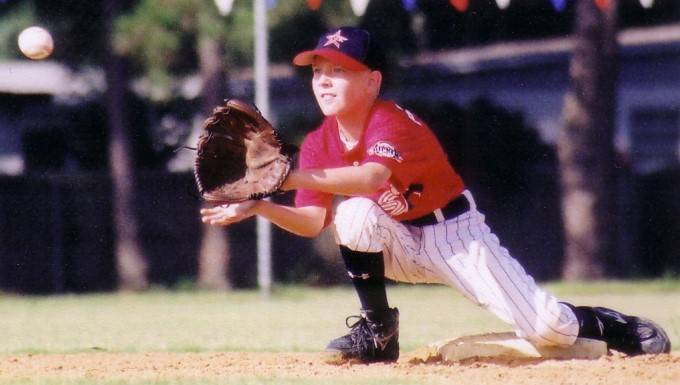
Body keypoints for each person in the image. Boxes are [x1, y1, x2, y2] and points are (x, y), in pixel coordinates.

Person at [200, 26, 671, 363]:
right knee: (354, 217)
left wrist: (287, 179)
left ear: (372, 81)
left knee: (549, 329)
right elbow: (312, 222)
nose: (323, 79)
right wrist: (262, 205)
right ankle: (379, 331)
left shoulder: (392, 120)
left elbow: (369, 177)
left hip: (455, 236)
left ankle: (609, 324)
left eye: (339, 70)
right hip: (399, 242)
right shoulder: (321, 140)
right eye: (317, 69)